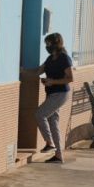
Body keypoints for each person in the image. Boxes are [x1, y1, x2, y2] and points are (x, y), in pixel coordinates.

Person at [32, 32, 75, 162]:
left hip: (61, 93)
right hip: (52, 93)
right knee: (53, 121)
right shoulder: (50, 59)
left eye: (48, 43)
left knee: (40, 114)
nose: (47, 46)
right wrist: (22, 71)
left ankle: (49, 144)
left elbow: (70, 78)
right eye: (46, 44)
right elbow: (38, 71)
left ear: (56, 43)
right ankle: (58, 156)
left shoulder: (64, 58)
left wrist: (52, 81)